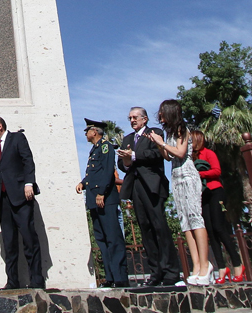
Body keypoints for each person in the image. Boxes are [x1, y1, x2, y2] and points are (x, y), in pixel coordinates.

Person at [0, 116, 45, 290]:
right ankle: (12, 282)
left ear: (0, 126)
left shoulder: (17, 138)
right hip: (3, 201)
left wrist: (29, 183)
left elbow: (28, 160)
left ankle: (37, 281)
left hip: (22, 197)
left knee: (29, 239)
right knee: (9, 243)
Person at [147, 99, 210, 285]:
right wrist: (159, 144)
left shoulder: (183, 129)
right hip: (176, 175)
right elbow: (168, 156)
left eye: (162, 112)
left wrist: (163, 144)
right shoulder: (170, 133)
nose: (159, 115)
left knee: (195, 218)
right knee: (185, 222)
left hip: (188, 175)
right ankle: (195, 267)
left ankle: (206, 266)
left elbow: (181, 152)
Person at [117, 107, 179, 286]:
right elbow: (122, 163)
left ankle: (170, 272)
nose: (132, 120)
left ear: (144, 119)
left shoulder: (155, 133)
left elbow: (156, 154)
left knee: (159, 226)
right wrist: (127, 161)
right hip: (135, 186)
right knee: (145, 229)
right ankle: (155, 272)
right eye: (130, 118)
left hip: (152, 185)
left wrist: (134, 156)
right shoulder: (128, 139)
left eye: (135, 117)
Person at [76, 119, 129, 288]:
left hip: (105, 199)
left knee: (113, 238)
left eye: (87, 131)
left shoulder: (106, 147)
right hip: (94, 200)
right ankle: (110, 277)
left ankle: (120, 277)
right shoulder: (94, 150)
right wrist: (83, 183)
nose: (85, 134)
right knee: (102, 239)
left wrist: (102, 193)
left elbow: (107, 171)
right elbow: (94, 171)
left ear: (95, 132)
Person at [190, 130, 245, 283]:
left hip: (216, 192)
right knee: (210, 231)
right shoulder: (191, 157)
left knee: (219, 227)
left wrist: (200, 175)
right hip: (203, 194)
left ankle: (237, 264)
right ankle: (221, 268)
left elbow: (217, 171)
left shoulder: (208, 153)